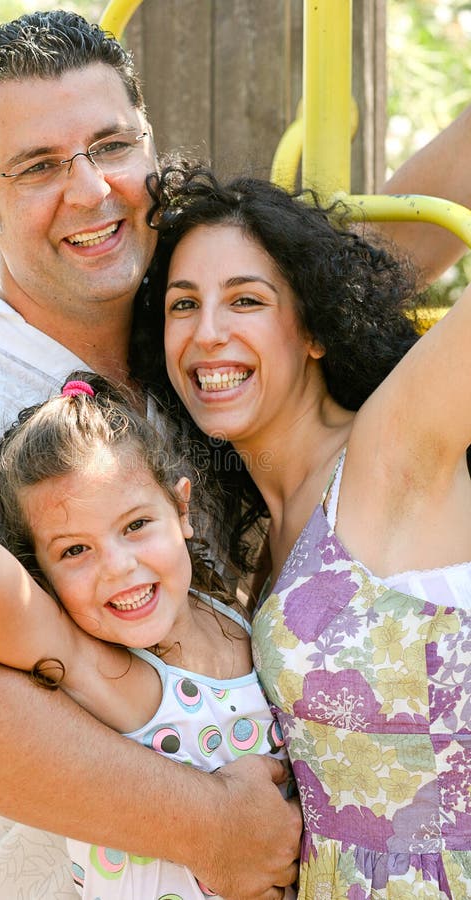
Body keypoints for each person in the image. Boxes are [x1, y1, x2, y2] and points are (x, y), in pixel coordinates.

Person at [0, 7, 469, 898]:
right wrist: (210, 825)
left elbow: (349, 271)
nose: (89, 190)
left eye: (112, 145)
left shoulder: (181, 339)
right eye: (39, 165)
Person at [138, 162, 471, 897]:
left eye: (246, 300)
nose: (209, 334)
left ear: (315, 327)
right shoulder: (250, 542)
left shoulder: (389, 450)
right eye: (183, 304)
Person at [0, 371, 296, 900]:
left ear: (181, 508)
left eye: (136, 525)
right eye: (75, 551)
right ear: (43, 577)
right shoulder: (106, 672)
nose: (117, 567)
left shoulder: (236, 615)